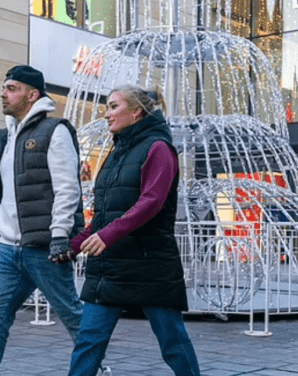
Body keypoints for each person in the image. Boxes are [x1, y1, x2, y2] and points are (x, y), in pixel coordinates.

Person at [60, 84, 200, 376]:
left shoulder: (159, 148)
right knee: (88, 340)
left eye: (113, 106)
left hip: (149, 265)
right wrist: (71, 247)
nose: (106, 114)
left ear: (136, 112)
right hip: (110, 267)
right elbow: (103, 216)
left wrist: (106, 237)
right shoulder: (115, 153)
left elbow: (152, 202)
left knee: (172, 342)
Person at [0, 65, 97, 376]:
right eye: (4, 87)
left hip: (43, 247)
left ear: (32, 94)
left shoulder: (55, 131)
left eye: (11, 88)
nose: (4, 93)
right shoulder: (9, 135)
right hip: (8, 248)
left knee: (72, 315)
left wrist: (59, 234)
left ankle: (97, 369)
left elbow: (68, 187)